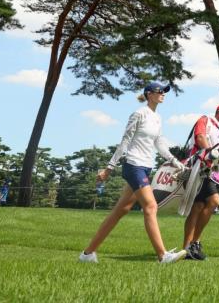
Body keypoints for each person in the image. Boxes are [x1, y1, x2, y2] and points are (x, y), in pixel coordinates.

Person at [79, 81, 187, 264]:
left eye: (164, 91)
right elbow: (125, 141)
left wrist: (177, 163)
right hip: (133, 165)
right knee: (151, 207)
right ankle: (163, 256)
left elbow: (160, 144)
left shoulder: (157, 117)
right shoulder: (139, 114)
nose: (163, 94)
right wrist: (109, 168)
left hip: (145, 167)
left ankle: (87, 254)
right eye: (160, 91)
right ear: (149, 94)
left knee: (121, 210)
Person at [182, 102, 219, 261]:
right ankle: (194, 244)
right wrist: (210, 153)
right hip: (199, 167)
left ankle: (187, 249)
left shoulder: (218, 133)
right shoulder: (205, 119)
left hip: (208, 170)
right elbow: (200, 137)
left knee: (198, 206)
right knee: (214, 200)